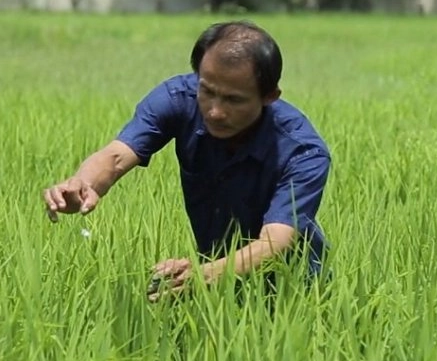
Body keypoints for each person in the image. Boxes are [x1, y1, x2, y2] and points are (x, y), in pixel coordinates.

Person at [43, 20, 332, 302]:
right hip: (215, 281)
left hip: (296, 289)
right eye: (207, 91)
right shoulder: (177, 99)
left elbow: (276, 242)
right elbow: (116, 156)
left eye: (234, 100)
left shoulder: (303, 151)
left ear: (270, 96)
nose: (215, 111)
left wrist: (201, 274)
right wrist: (84, 184)